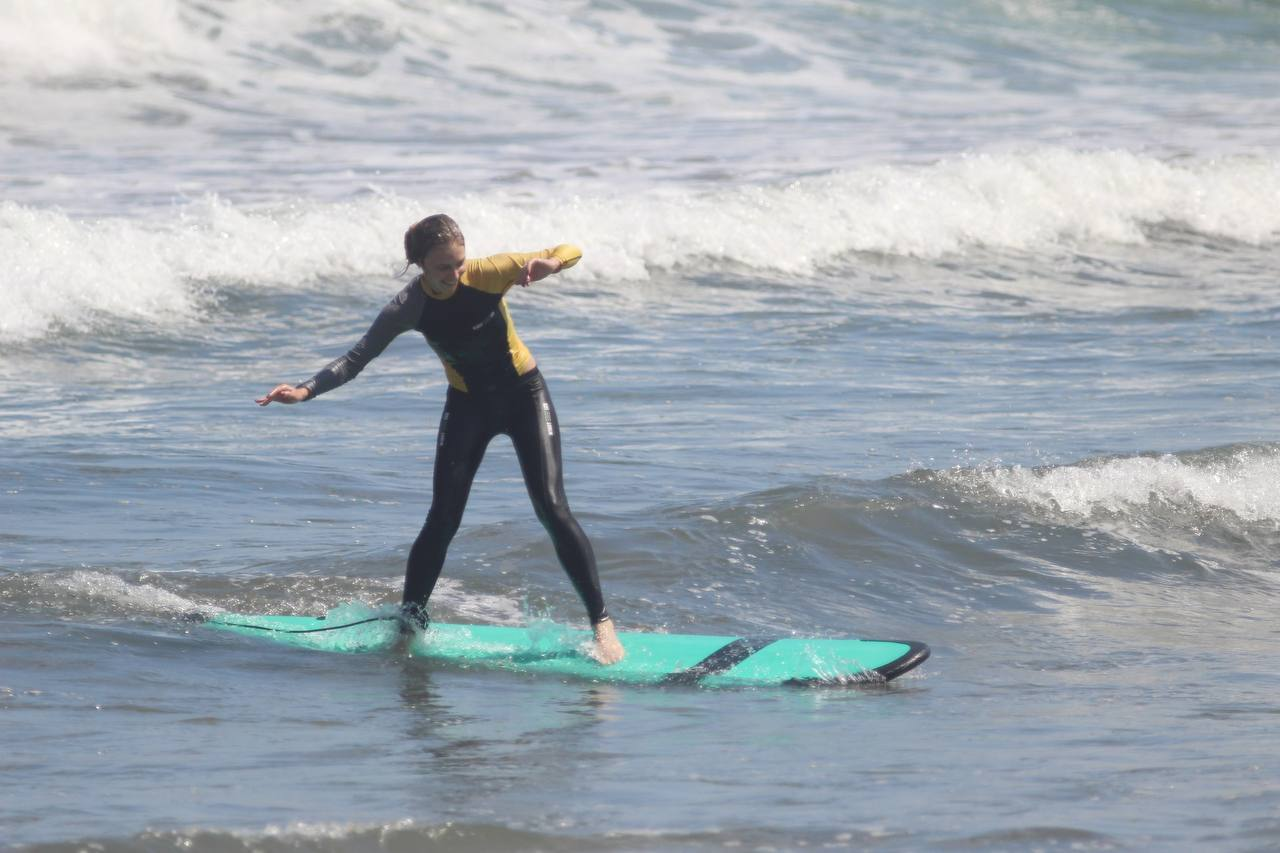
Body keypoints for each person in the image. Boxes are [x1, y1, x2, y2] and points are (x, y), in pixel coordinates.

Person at [256, 214, 624, 664]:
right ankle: (409, 628)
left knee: (551, 505)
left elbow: (572, 248)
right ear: (419, 266)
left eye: (459, 264)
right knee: (442, 519)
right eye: (443, 268)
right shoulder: (407, 307)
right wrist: (305, 390)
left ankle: (602, 626)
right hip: (468, 405)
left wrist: (551, 264)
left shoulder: (488, 273)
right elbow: (356, 359)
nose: (454, 275)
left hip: (524, 394)